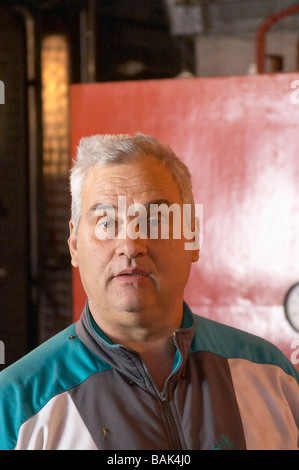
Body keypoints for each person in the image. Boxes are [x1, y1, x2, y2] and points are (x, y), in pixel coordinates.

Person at [0, 133, 298, 450]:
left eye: (155, 220)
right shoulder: (17, 405)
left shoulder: (271, 375)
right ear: (74, 245)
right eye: (105, 222)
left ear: (192, 236)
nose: (130, 245)